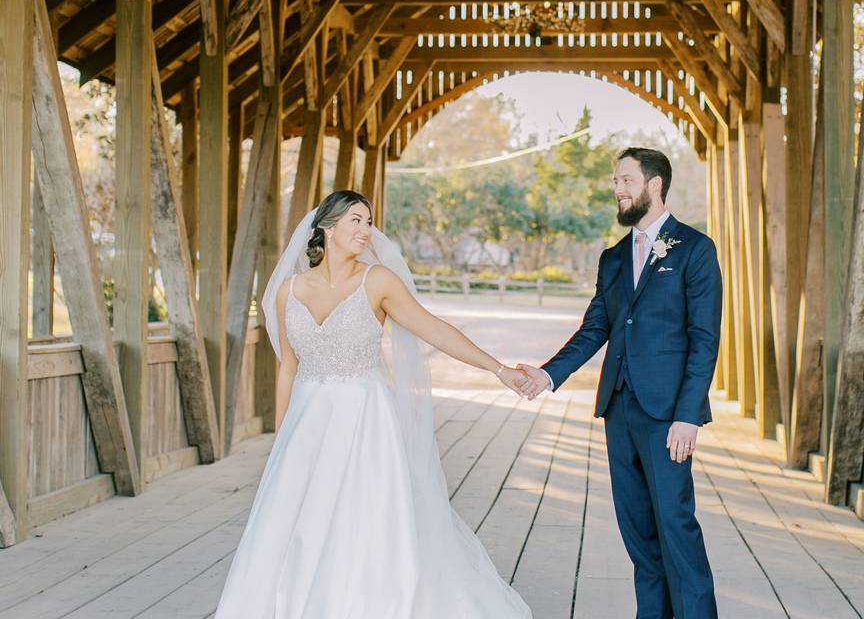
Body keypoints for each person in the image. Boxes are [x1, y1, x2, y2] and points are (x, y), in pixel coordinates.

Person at [214, 190, 532, 618]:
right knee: (298, 520)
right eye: (356, 221)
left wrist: (498, 370)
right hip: (307, 425)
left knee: (362, 516)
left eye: (368, 221)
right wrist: (282, 438)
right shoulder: (288, 290)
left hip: (364, 421)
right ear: (327, 228)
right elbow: (288, 368)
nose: (366, 231)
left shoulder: (377, 280)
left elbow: (432, 328)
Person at [516, 147, 722, 619]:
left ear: (654, 185)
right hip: (619, 411)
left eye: (626, 180)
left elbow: (704, 340)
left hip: (668, 415)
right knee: (638, 534)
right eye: (615, 182)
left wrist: (688, 416)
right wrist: (547, 375)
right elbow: (595, 329)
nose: (618, 189)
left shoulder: (695, 249)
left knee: (675, 525)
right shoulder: (612, 259)